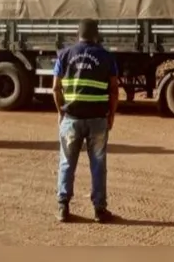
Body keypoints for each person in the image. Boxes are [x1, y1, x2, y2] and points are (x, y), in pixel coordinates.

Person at [52, 18, 119, 223]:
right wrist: (111, 116)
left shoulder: (64, 55)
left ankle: (63, 207)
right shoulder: (107, 57)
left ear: (77, 33)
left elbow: (55, 88)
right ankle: (99, 209)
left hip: (71, 118)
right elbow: (115, 90)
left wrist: (60, 113)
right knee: (98, 165)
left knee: (66, 163)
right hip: (98, 119)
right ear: (96, 34)